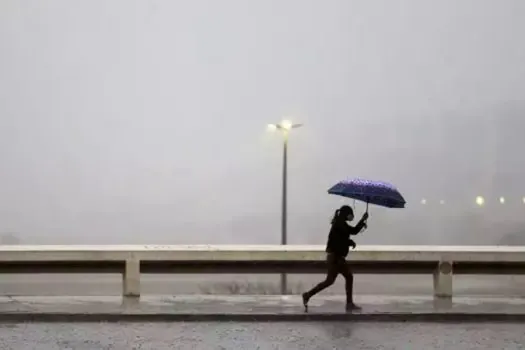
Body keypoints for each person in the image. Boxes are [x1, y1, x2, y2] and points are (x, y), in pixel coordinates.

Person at [302, 205, 368, 312]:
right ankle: (349, 303)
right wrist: (350, 242)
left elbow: (353, 231)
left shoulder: (340, 223)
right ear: (346, 214)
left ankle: (308, 295)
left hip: (335, 258)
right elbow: (340, 241)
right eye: (350, 213)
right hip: (336, 258)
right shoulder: (339, 224)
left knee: (331, 280)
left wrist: (362, 220)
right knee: (347, 277)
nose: (352, 216)